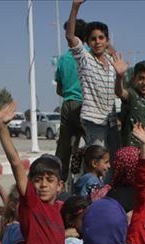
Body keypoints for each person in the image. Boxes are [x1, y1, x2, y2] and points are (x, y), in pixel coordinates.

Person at [0, 101, 66, 244]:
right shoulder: (33, 204)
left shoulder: (60, 209)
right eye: (37, 180)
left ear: (60, 186)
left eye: (49, 180)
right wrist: (2, 127)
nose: (43, 185)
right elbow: (16, 163)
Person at [66, 0, 119, 153]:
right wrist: (75, 6)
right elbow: (70, 37)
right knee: (96, 162)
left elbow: (113, 53)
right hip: (94, 120)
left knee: (113, 161)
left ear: (107, 40)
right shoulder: (85, 59)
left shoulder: (111, 61)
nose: (97, 42)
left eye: (101, 38)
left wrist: (107, 43)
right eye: (93, 39)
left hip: (111, 119)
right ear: (87, 42)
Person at [55, 18, 87, 180]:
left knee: (63, 149)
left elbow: (59, 89)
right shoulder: (89, 54)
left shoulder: (63, 59)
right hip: (86, 105)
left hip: (67, 105)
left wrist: (70, 93)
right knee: (95, 145)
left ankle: (60, 182)